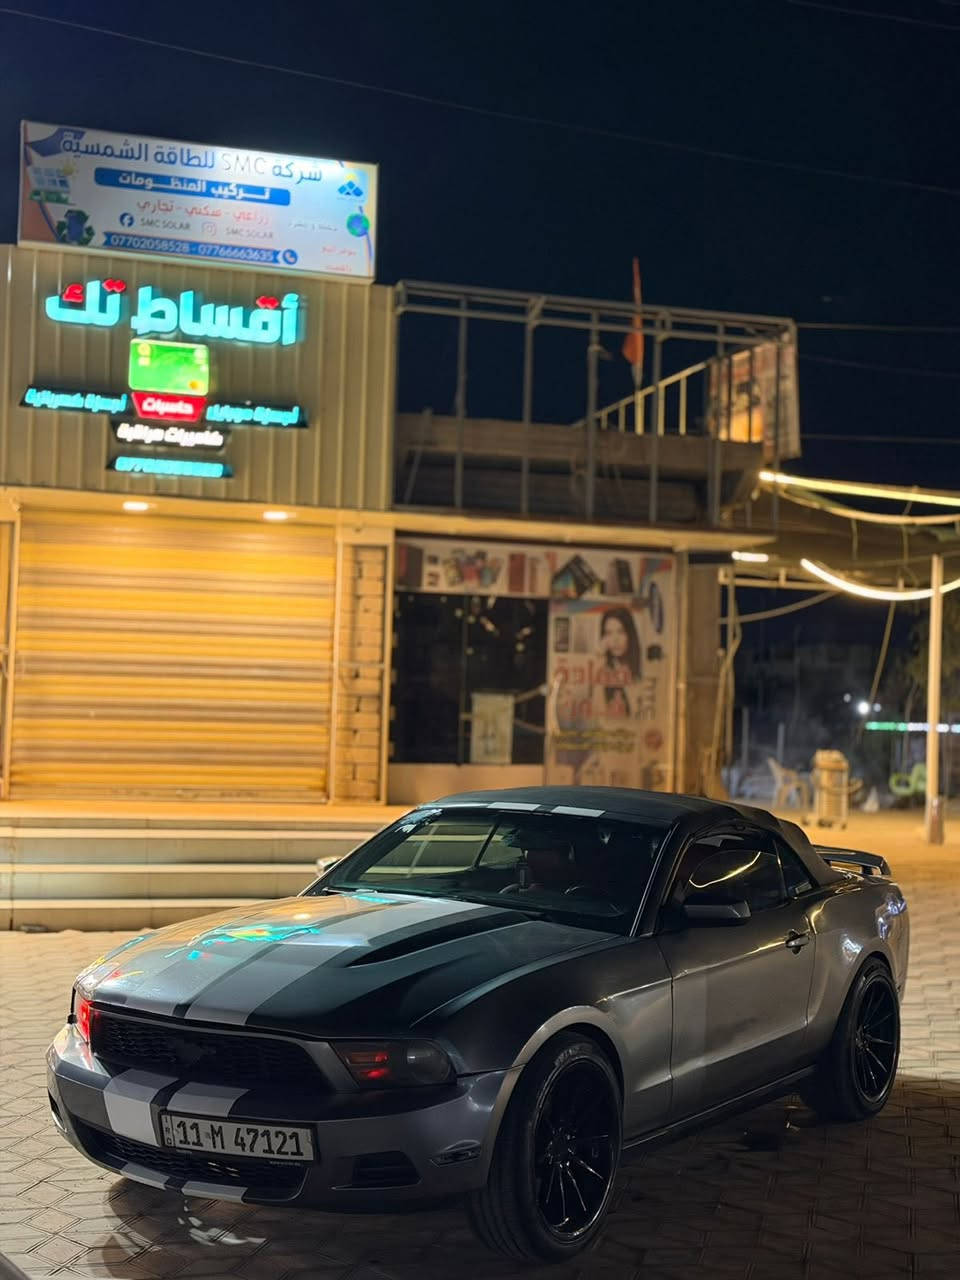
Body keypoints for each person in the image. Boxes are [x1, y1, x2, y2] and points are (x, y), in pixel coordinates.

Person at [598, 607, 641, 717]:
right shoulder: (604, 668)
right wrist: (599, 658)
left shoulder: (641, 667)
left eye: (620, 632)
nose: (615, 639)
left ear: (629, 634)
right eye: (608, 633)